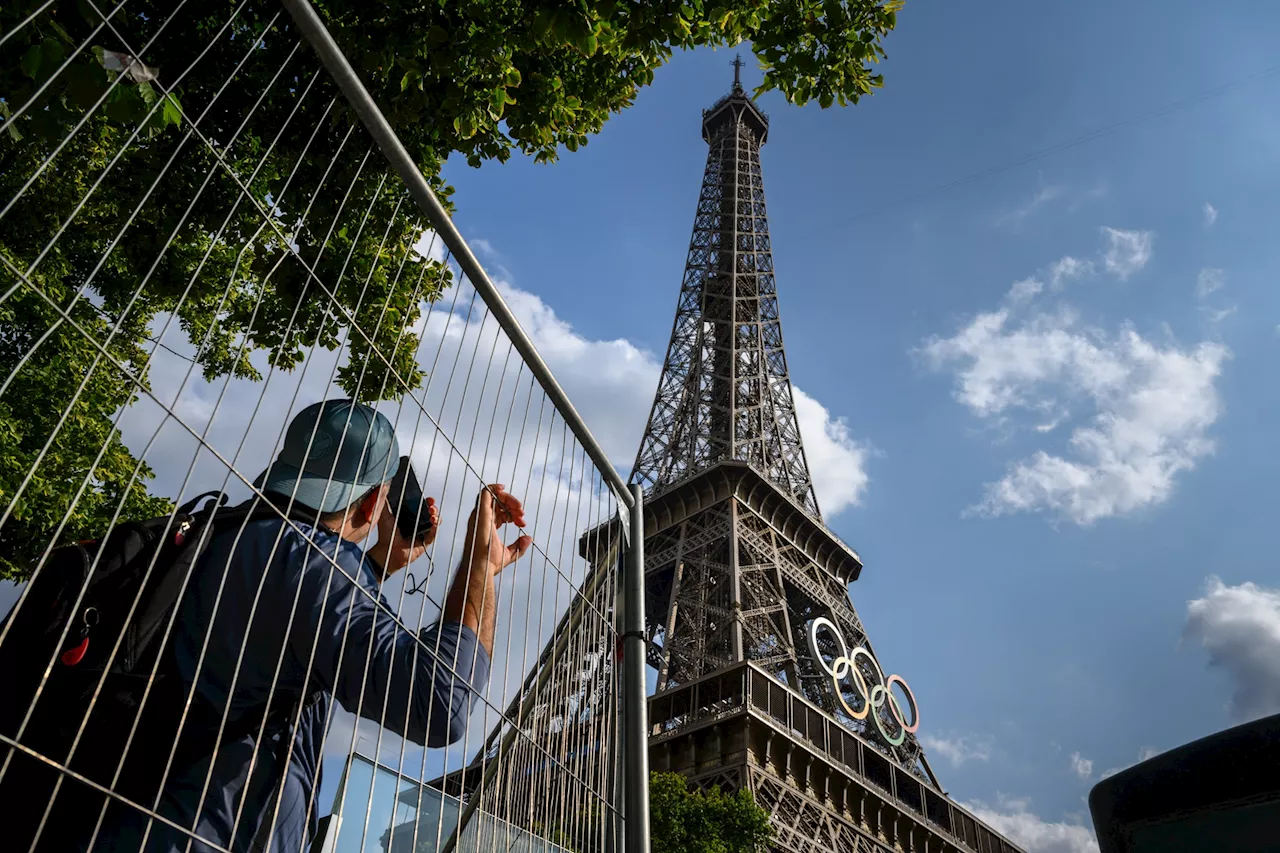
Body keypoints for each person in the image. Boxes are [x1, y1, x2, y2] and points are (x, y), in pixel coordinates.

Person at [95, 399, 532, 852]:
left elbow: (287, 618)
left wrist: (382, 563)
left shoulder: (222, 533)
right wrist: (479, 564)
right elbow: (443, 703)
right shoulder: (318, 562)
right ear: (370, 505)